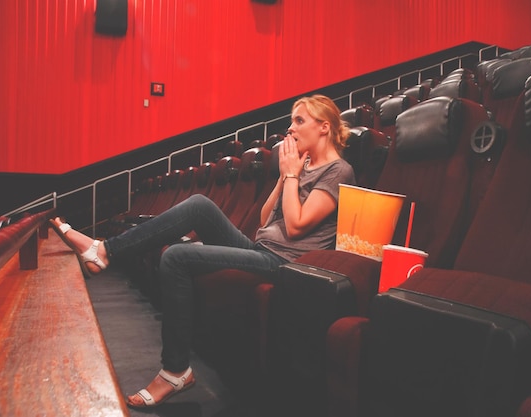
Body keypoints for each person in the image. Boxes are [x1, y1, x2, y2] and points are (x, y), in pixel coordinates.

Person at [50, 94, 356, 408]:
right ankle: (105, 250)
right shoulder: (300, 167)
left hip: (284, 263)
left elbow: (295, 227)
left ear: (324, 127)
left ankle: (175, 371)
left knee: (176, 256)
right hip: (260, 247)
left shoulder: (338, 171)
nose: (290, 128)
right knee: (199, 206)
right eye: (291, 120)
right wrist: (284, 176)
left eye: (299, 121)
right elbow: (266, 219)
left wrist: (291, 175)